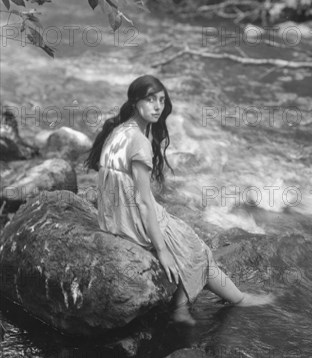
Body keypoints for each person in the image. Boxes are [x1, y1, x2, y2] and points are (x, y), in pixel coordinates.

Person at [84, 75, 265, 325]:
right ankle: (228, 301)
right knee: (198, 249)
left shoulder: (119, 129)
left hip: (112, 217)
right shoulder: (139, 142)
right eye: (150, 100)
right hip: (129, 221)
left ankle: (190, 305)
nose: (158, 106)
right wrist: (161, 250)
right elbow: (144, 201)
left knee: (189, 240)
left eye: (161, 100)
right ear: (136, 102)